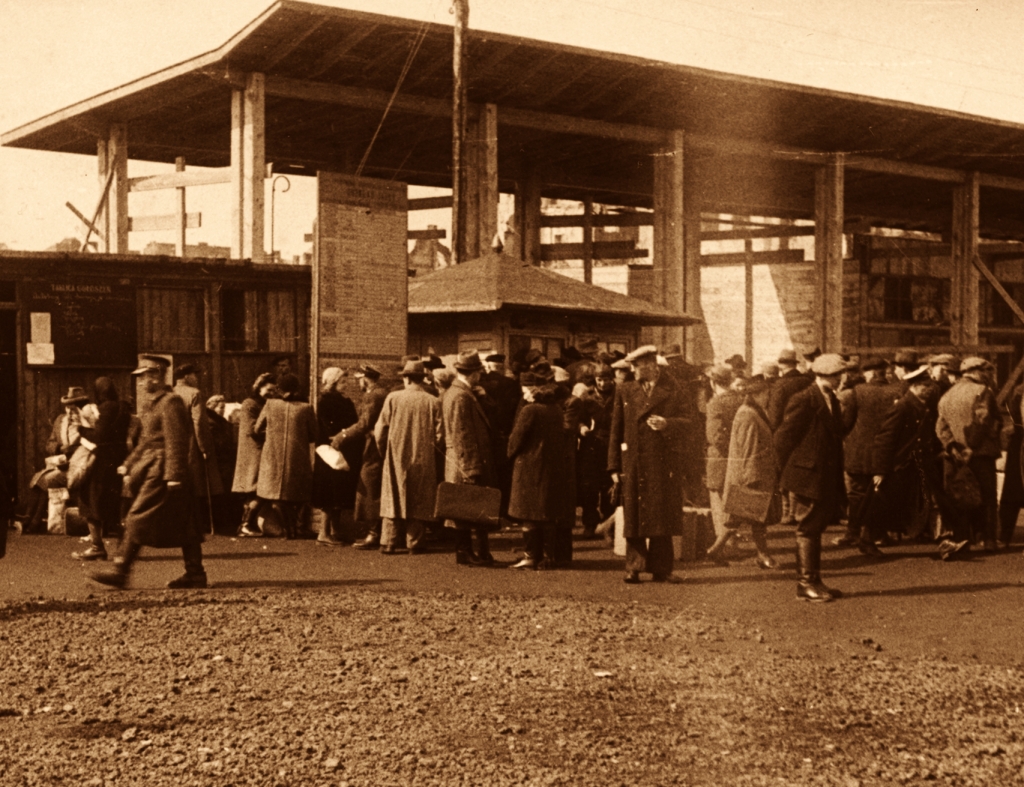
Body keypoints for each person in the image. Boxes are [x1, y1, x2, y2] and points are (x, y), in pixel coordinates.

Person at [90, 356, 207, 590]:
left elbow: (176, 441)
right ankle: (195, 573)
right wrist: (130, 463)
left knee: (136, 517)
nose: (142, 382)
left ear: (159, 375)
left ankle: (120, 571)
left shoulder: (170, 402)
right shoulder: (154, 403)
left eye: (146, 376)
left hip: (162, 470)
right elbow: (145, 441)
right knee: (186, 524)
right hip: (154, 467)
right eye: (141, 377)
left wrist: (174, 475)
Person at [608, 345, 688, 584]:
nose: (632, 371)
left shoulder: (674, 389)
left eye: (636, 366)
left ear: (652, 366)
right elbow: (616, 429)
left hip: (662, 463)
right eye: (632, 366)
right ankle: (633, 567)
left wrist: (668, 423)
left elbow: (690, 423)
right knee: (634, 517)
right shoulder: (625, 390)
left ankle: (661, 569)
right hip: (633, 462)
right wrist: (613, 466)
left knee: (661, 517)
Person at [774, 353, 848, 602]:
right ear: (824, 375)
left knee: (815, 527)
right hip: (807, 475)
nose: (841, 379)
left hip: (822, 474)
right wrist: (792, 470)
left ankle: (814, 581)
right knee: (807, 529)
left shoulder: (830, 399)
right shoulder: (804, 399)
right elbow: (783, 438)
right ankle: (805, 583)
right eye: (837, 376)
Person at [872, 367, 957, 559]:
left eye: (930, 385)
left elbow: (926, 435)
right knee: (887, 505)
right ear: (915, 386)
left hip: (920, 465)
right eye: (925, 386)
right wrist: (880, 470)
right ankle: (867, 538)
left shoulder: (921, 405)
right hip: (903, 466)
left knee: (934, 501)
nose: (929, 389)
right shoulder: (902, 407)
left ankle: (944, 541)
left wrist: (939, 451)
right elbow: (885, 439)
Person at [374, 360, 442, 554]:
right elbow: (440, 435)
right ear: (422, 378)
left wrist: (384, 452)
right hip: (423, 457)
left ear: (406, 378)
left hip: (395, 454)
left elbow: (380, 430)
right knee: (419, 497)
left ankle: (388, 542)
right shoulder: (433, 401)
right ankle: (415, 542)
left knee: (393, 497)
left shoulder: (393, 398)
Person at [936, 357, 1003, 553]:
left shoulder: (948, 394)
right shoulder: (983, 392)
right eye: (987, 371)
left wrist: (952, 447)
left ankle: (963, 537)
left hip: (955, 456)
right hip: (980, 454)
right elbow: (982, 421)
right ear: (976, 372)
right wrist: (970, 447)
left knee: (960, 496)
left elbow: (940, 426)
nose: (989, 375)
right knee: (987, 496)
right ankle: (989, 539)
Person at [836, 356, 901, 553]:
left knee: (857, 494)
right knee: (879, 495)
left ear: (870, 373)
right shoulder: (897, 392)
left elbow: (846, 423)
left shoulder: (858, 391)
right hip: (886, 454)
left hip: (858, 454)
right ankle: (878, 534)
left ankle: (853, 532)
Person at [442, 350, 499, 566]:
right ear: (473, 373)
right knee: (464, 509)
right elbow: (461, 434)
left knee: (466, 508)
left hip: (463, 459)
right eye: (479, 373)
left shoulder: (461, 393)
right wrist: (471, 467)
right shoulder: (460, 396)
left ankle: (471, 552)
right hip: (465, 460)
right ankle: (464, 552)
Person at [508, 372, 566, 569]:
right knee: (546, 513)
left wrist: (509, 454)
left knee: (528, 514)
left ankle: (530, 556)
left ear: (532, 392)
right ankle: (548, 557)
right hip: (550, 467)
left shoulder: (529, 410)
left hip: (528, 467)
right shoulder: (556, 409)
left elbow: (516, 439)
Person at [722, 375, 780, 569]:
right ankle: (762, 555)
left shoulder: (753, 411)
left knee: (745, 519)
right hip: (751, 474)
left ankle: (715, 550)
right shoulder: (748, 414)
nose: (768, 398)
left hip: (753, 473)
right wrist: (751, 477)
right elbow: (748, 447)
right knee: (748, 519)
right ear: (755, 395)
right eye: (765, 394)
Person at [72, 377, 132, 561]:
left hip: (101, 461)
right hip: (118, 459)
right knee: (115, 506)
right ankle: (122, 550)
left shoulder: (106, 408)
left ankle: (97, 546)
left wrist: (80, 428)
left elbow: (99, 436)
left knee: (91, 502)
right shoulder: (124, 407)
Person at [251, 373, 318, 537]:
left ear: (279, 389)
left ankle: (288, 530)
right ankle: (299, 527)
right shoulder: (306, 408)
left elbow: (257, 429)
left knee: (276, 496)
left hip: (272, 457)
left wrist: (272, 435)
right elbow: (314, 435)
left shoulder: (270, 405)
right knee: (302, 494)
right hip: (297, 457)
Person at [23, 387, 91, 533]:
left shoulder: (87, 424)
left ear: (80, 408)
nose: (70, 412)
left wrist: (72, 450)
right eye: (68, 408)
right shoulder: (60, 420)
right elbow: (50, 443)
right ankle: (29, 519)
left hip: (78, 467)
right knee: (38, 479)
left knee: (45, 480)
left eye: (74, 409)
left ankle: (33, 521)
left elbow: (89, 446)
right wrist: (59, 449)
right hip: (61, 464)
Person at [311, 367, 359, 547]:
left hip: (342, 450)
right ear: (332, 382)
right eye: (342, 382)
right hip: (329, 452)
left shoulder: (344, 401)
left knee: (339, 493)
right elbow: (329, 426)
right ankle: (324, 532)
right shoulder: (325, 401)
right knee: (329, 494)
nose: (346, 385)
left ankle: (336, 531)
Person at [173, 364, 222, 532]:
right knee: (196, 485)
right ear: (186, 376)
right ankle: (196, 524)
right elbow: (199, 423)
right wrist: (204, 448)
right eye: (194, 374)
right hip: (191, 445)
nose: (197, 378)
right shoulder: (194, 394)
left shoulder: (169, 394)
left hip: (173, 446)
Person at [344, 365, 389, 550]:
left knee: (370, 487)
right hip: (379, 446)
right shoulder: (381, 393)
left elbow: (364, 424)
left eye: (359, 378)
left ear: (366, 378)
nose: (357, 381)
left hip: (374, 448)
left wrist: (343, 436)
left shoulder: (373, 395)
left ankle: (373, 533)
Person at [704, 365, 743, 563]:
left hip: (719, 460)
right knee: (734, 504)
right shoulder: (741, 399)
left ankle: (724, 547)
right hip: (739, 460)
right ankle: (732, 544)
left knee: (719, 504)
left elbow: (715, 436)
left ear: (713, 382)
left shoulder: (715, 403)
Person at [232, 373, 276, 537]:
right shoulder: (250, 404)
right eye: (268, 389)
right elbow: (252, 429)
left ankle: (246, 525)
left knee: (256, 490)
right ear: (259, 388)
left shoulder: (264, 403)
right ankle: (246, 524)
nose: (271, 393)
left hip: (259, 451)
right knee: (259, 489)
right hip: (254, 453)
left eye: (274, 390)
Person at [205, 394, 238, 534]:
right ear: (212, 407)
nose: (223, 410)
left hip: (223, 461)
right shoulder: (212, 422)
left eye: (224, 407)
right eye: (221, 407)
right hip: (219, 461)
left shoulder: (219, 421)